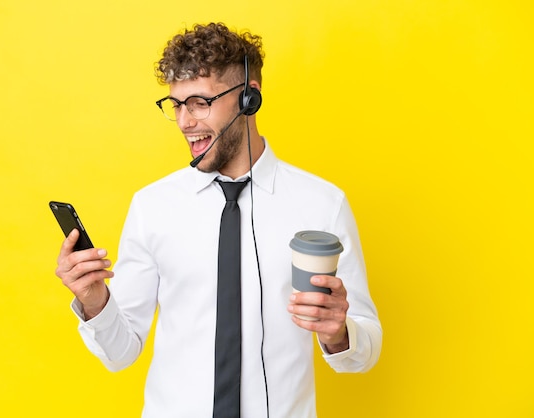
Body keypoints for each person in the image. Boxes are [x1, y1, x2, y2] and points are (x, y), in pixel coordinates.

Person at [55, 22, 381, 418]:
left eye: (199, 102)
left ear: (249, 98)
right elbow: (120, 354)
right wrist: (93, 302)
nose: (184, 121)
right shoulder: (152, 206)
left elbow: (362, 355)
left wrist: (339, 333)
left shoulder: (322, 204)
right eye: (176, 104)